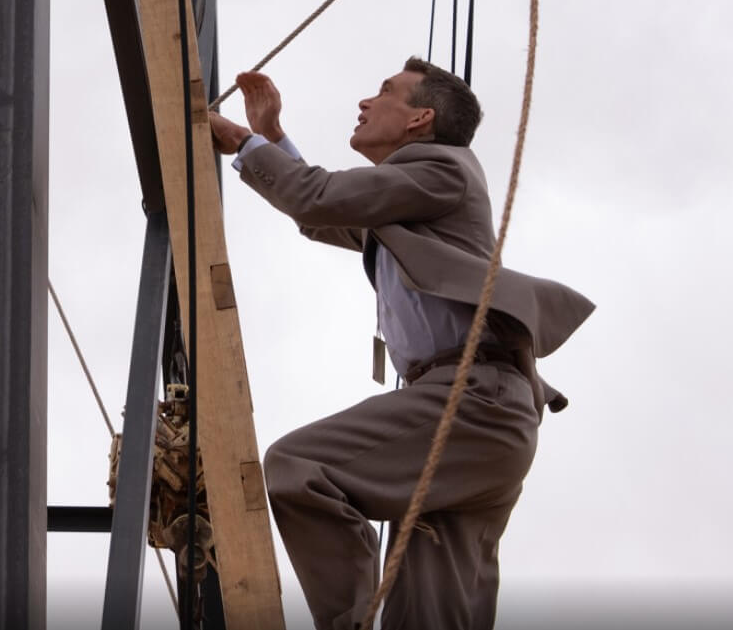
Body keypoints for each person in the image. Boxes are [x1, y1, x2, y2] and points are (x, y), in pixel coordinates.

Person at [208, 58, 593, 630]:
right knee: (428, 611)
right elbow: (321, 216)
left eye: (384, 91)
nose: (365, 102)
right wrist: (271, 139)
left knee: (300, 465)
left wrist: (245, 143)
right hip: (485, 417)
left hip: (473, 401)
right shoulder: (409, 200)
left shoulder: (442, 168)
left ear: (420, 119)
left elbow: (316, 198)